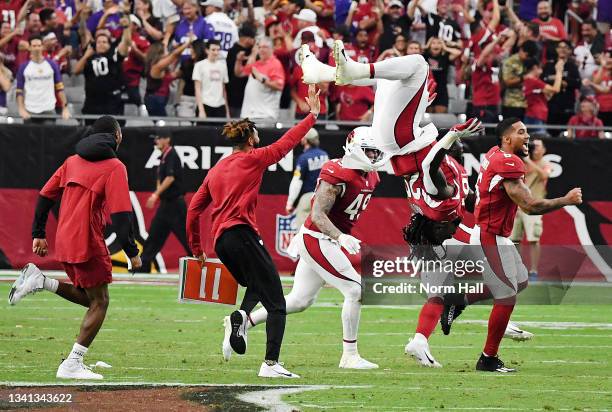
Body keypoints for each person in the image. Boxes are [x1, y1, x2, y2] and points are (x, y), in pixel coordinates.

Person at [186, 84, 320, 379]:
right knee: (277, 304)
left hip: (221, 242)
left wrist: (197, 248)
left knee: (258, 285)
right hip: (243, 235)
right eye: (256, 135)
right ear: (249, 139)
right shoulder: (253, 158)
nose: (259, 139)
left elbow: (194, 210)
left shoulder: (216, 170)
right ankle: (270, 364)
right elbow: (286, 143)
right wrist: (312, 116)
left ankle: (241, 317)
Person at [8, 116, 142, 380]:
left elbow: (45, 194)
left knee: (90, 298)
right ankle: (72, 363)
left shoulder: (72, 161)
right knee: (101, 302)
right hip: (88, 240)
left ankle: (41, 281)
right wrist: (132, 252)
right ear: (116, 136)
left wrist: (38, 233)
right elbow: (122, 215)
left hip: (65, 239)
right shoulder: (115, 167)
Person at [246, 127, 384, 370]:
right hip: (317, 238)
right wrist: (341, 238)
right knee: (356, 291)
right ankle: (349, 355)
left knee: (299, 300)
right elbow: (318, 214)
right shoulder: (338, 172)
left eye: (375, 152)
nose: (373, 157)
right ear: (354, 149)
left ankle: (242, 323)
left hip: (328, 240)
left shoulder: (371, 175)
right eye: (369, 151)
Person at [470, 118, 582, 372]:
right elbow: (530, 206)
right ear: (507, 139)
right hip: (490, 235)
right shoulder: (508, 161)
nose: (527, 137)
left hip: (494, 234)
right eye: (521, 133)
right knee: (507, 296)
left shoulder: (494, 153)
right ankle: (488, 358)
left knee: (520, 281)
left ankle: (471, 307)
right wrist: (566, 200)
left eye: (527, 132)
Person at [139, 133, 191, 273]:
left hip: (175, 205)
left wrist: (155, 195)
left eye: (160, 138)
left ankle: (201, 267)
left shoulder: (172, 154)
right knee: (154, 237)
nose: (157, 141)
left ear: (167, 139)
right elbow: (161, 179)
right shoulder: (163, 157)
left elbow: (170, 178)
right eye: (156, 139)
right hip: (166, 205)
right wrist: (158, 194)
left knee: (187, 239)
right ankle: (142, 269)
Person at [510, 139, 552, 280]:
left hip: (534, 206)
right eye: (533, 146)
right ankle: (518, 270)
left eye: (538, 146)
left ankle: (533, 271)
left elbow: (545, 175)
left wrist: (528, 161)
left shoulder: (545, 164)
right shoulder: (521, 163)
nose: (535, 148)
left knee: (534, 238)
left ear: (544, 150)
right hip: (518, 205)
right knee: (514, 239)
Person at [74, 19, 132, 120]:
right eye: (99, 42)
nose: (101, 44)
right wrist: (85, 56)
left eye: (104, 42)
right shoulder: (89, 57)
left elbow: (126, 43)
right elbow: (76, 71)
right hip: (92, 101)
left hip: (112, 102)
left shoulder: (114, 55)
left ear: (110, 45)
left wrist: (126, 28)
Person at [16, 35, 70, 122]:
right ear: (29, 48)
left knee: (50, 135)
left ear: (43, 47)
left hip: (48, 109)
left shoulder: (52, 65)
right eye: (34, 46)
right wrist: (21, 108)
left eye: (39, 45)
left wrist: (65, 108)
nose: (37, 48)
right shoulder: (24, 67)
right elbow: (19, 90)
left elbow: (59, 88)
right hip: (29, 110)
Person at [286, 129, 329, 229]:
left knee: (302, 232)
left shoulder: (303, 158)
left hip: (308, 197)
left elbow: (296, 183)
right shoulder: (325, 155)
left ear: (305, 140)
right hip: (324, 197)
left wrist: (290, 203)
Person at [237, 37, 285, 121]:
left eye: (265, 47)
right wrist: (239, 61)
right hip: (248, 115)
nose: (261, 50)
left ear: (272, 49)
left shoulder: (275, 64)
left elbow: (279, 86)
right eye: (259, 47)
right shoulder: (256, 64)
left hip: (264, 116)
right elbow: (239, 73)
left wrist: (262, 79)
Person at [144, 38, 192, 116]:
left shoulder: (162, 68)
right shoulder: (157, 66)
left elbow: (174, 74)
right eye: (166, 50)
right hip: (154, 100)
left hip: (161, 99)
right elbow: (174, 55)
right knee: (161, 124)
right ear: (160, 53)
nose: (168, 52)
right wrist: (187, 43)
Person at [522, 58, 563, 134]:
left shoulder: (529, 81)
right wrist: (559, 71)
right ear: (535, 67)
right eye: (540, 67)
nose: (542, 70)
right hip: (535, 116)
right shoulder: (533, 81)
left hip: (535, 115)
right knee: (541, 141)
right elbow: (556, 89)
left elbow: (548, 96)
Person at [501, 40, 538, 120]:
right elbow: (507, 82)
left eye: (529, 56)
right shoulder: (510, 62)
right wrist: (525, 78)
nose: (527, 58)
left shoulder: (530, 61)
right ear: (521, 50)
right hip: (512, 103)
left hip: (528, 104)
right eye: (526, 55)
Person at [423, 36, 461, 113]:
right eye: (433, 43)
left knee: (440, 116)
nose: (436, 45)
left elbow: (458, 52)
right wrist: (426, 46)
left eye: (439, 43)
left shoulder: (445, 57)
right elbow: (414, 52)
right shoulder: (424, 57)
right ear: (430, 45)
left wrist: (445, 47)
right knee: (427, 117)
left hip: (442, 91)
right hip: (427, 91)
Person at [193, 39, 229, 119]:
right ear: (207, 50)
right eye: (213, 50)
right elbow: (197, 89)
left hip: (220, 105)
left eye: (218, 50)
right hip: (205, 104)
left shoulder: (223, 66)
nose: (216, 52)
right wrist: (201, 110)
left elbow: (223, 89)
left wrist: (227, 111)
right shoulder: (199, 65)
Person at [226, 24, 255, 117]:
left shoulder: (251, 50)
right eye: (252, 37)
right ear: (246, 38)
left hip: (249, 97)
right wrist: (254, 54)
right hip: (235, 95)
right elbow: (244, 70)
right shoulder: (233, 51)